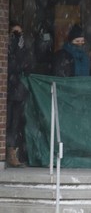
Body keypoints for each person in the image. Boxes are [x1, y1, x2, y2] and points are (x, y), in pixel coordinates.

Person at [7, 21, 33, 167]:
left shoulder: (23, 49)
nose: (18, 37)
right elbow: (12, 66)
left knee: (15, 125)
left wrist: (20, 48)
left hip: (18, 93)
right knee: (8, 123)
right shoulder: (8, 48)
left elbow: (26, 64)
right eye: (15, 33)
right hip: (8, 92)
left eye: (20, 33)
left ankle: (13, 154)